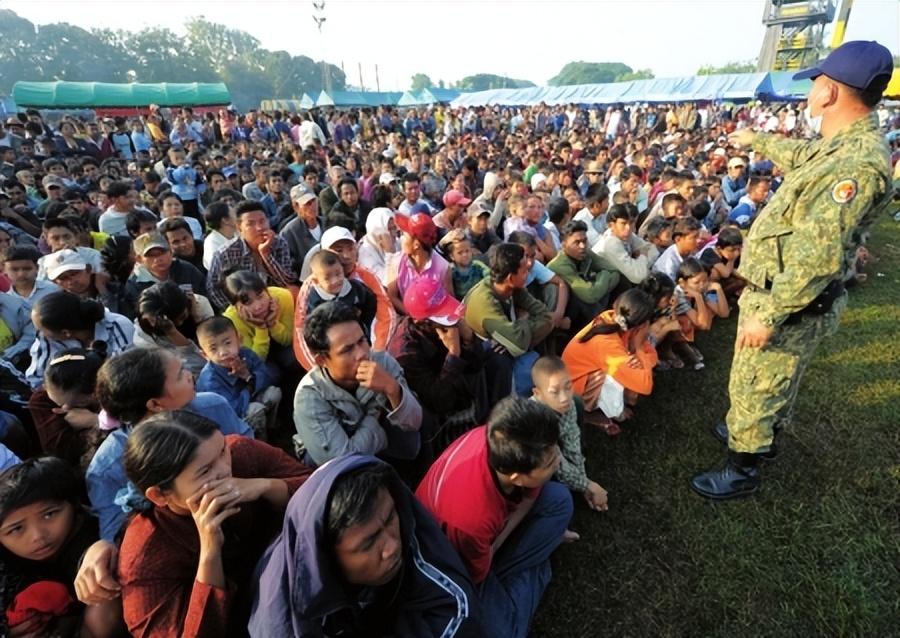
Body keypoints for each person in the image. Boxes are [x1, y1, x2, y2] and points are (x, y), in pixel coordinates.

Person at [691, 41, 894, 499]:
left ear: (831, 93)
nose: (810, 93)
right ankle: (758, 435)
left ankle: (742, 467)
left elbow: (817, 254)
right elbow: (802, 156)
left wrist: (771, 313)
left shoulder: (857, 164)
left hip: (788, 297)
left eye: (816, 83)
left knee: (757, 381)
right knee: (774, 378)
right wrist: (756, 140)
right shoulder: (843, 145)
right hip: (783, 291)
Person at [117, 411, 312, 637]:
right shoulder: (143, 557)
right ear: (160, 495)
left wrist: (267, 487)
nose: (224, 470)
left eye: (222, 451)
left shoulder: (240, 451)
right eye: (205, 471)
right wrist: (209, 554)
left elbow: (324, 489)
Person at [249, 455, 481, 637]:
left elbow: (454, 606)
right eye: (368, 542)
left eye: (390, 518)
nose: (392, 547)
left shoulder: (405, 520)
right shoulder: (284, 623)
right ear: (325, 556)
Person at [416, 397, 573, 638]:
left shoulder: (504, 442)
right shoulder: (469, 520)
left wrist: (497, 542)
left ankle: (527, 560)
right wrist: (496, 548)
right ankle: (538, 567)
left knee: (560, 501)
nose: (558, 460)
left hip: (488, 543)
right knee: (505, 632)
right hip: (459, 562)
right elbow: (475, 571)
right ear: (516, 477)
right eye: (551, 461)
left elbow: (530, 497)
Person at [0, 458, 123, 638]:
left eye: (49, 515)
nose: (38, 536)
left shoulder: (94, 539)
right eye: (17, 528)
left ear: (74, 505)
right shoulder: (5, 563)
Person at [294, 301, 422, 468]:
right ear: (322, 360)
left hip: (368, 442)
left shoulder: (382, 362)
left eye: (362, 341)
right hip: (344, 463)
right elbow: (342, 463)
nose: (362, 354)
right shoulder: (309, 397)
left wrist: (392, 389)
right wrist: (374, 417)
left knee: (410, 440)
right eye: (347, 350)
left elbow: (415, 421)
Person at [388, 277, 488, 455]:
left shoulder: (446, 326)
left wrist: (469, 341)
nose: (451, 319)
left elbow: (476, 365)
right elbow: (438, 401)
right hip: (436, 422)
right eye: (442, 315)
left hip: (461, 397)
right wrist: (454, 354)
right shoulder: (405, 352)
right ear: (422, 322)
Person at [562, 288, 670, 433]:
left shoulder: (613, 317)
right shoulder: (608, 342)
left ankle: (609, 404)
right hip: (573, 389)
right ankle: (595, 411)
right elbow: (645, 386)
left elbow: (652, 357)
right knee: (620, 377)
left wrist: (639, 355)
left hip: (582, 375)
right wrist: (637, 348)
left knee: (631, 367)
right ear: (641, 326)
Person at [463, 242, 553, 399]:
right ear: (511, 277)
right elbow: (518, 344)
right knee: (502, 359)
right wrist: (523, 320)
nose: (529, 270)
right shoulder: (484, 301)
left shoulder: (512, 288)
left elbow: (547, 318)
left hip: (510, 345)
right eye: (524, 270)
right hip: (481, 357)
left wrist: (517, 328)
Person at [530, 356, 609, 511]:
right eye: (555, 392)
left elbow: (572, 441)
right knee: (554, 484)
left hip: (554, 442)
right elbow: (557, 462)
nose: (564, 397)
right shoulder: (536, 420)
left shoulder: (568, 404)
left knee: (577, 402)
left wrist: (584, 482)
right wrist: (588, 485)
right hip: (535, 457)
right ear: (538, 393)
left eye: (568, 386)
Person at [196, 316, 281, 439]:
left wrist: (247, 375)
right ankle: (262, 442)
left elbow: (265, 375)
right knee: (255, 411)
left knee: (274, 393)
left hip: (249, 397)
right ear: (205, 355)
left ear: (239, 340)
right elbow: (231, 410)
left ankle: (272, 427)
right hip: (233, 420)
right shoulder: (209, 381)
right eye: (213, 349)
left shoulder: (246, 354)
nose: (223, 352)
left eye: (227, 343)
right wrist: (250, 385)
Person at [26, 292, 133, 389]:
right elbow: (37, 380)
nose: (39, 333)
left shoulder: (116, 326)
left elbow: (126, 373)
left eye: (41, 329)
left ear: (66, 333)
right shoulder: (47, 337)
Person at [207, 200, 298, 311]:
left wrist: (265, 254)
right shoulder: (225, 254)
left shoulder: (278, 243)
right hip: (243, 307)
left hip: (276, 301)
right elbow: (213, 289)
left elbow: (287, 281)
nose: (259, 228)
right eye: (250, 224)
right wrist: (236, 310)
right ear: (239, 228)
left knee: (293, 291)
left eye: (262, 221)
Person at [28, 346, 106, 470]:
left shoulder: (111, 395)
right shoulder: (41, 400)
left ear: (94, 393)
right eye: (58, 403)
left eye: (77, 404)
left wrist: (96, 421)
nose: (65, 408)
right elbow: (62, 451)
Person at [547, 220, 620, 330]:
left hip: (585, 303)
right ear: (564, 244)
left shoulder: (585, 253)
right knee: (584, 297)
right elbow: (589, 296)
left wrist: (599, 284)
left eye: (585, 241)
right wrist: (603, 274)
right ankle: (603, 327)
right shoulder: (559, 264)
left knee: (620, 282)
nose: (582, 246)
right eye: (576, 242)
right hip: (559, 311)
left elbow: (615, 271)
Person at [132, 281, 212, 377]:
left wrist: (197, 319)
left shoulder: (200, 305)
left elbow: (212, 351)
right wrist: (171, 332)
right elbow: (193, 368)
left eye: (182, 317)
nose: (179, 323)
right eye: (173, 322)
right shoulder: (145, 338)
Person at [222, 269, 295, 372]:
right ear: (236, 307)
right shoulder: (231, 320)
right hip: (259, 353)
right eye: (248, 303)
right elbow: (254, 361)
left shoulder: (282, 296)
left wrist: (273, 323)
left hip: (281, 345)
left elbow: (289, 339)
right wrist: (261, 328)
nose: (258, 306)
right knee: (270, 373)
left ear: (267, 290)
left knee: (292, 358)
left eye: (260, 297)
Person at [386, 212, 452, 314]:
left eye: (404, 235)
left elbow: (448, 300)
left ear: (416, 245)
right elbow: (392, 296)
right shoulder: (396, 262)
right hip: (407, 317)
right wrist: (412, 315)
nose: (401, 239)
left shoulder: (443, 267)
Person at [306, 250, 377, 340]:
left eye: (338, 274)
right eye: (327, 278)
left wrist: (364, 323)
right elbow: (313, 325)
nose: (335, 281)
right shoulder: (314, 298)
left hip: (357, 334)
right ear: (316, 281)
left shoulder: (356, 288)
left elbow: (371, 303)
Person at [594, 203, 660, 284]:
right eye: (623, 223)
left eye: (631, 222)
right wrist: (642, 256)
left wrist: (639, 264)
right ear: (611, 225)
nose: (628, 228)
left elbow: (653, 250)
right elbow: (639, 277)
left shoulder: (627, 235)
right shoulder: (610, 243)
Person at [439, 229, 491, 300]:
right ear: (452, 256)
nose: (465, 255)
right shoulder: (452, 270)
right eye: (460, 252)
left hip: (480, 298)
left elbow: (489, 275)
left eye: (467, 251)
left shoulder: (477, 265)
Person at [651, 217, 702, 282]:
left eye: (698, 236)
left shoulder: (691, 252)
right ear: (678, 239)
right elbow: (671, 288)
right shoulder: (669, 262)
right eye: (694, 237)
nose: (699, 240)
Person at [357, 206, 397, 285]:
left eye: (394, 228)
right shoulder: (365, 253)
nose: (394, 234)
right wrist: (390, 253)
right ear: (377, 232)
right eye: (388, 230)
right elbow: (387, 283)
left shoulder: (397, 242)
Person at [202, 202, 238, 271]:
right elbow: (216, 267)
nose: (238, 216)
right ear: (225, 220)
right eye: (234, 213)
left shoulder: (238, 233)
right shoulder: (211, 242)